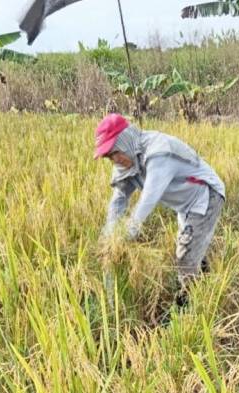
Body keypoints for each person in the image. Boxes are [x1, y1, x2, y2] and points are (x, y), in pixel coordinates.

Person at [95, 114, 225, 306]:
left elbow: (149, 197)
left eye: (115, 152)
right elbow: (119, 200)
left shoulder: (158, 152)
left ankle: (190, 309)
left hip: (205, 195)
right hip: (184, 204)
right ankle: (205, 281)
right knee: (191, 249)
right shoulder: (126, 160)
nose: (116, 160)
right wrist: (109, 233)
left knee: (185, 257)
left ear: (125, 140)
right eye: (109, 157)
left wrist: (129, 229)